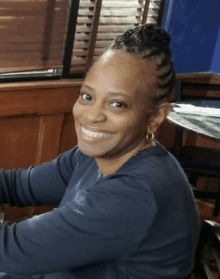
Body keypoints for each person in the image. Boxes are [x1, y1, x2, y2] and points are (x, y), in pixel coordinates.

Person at [0, 24, 200, 279]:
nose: (92, 116)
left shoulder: (135, 193)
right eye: (86, 96)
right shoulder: (93, 155)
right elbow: (19, 185)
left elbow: (9, 250)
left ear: (155, 117)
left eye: (117, 104)